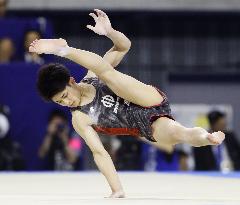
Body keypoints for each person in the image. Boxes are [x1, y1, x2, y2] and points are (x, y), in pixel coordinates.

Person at [29, 9, 225, 198]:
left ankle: (64, 50)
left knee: (106, 74)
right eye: (60, 102)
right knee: (180, 134)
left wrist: (110, 32)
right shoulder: (80, 118)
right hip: (146, 126)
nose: (67, 102)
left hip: (144, 97)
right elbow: (100, 153)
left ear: (71, 81)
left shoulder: (92, 76)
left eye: (64, 95)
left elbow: (124, 46)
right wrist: (117, 189)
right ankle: (208, 137)